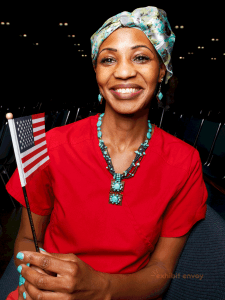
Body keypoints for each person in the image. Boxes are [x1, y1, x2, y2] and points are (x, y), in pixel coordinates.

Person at [5, 6, 208, 300]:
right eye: (109, 59)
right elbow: (27, 237)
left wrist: (101, 289)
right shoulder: (51, 145)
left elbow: (162, 269)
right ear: (97, 72)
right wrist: (38, 278)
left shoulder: (184, 161)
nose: (124, 72)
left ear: (162, 70)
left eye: (141, 57)